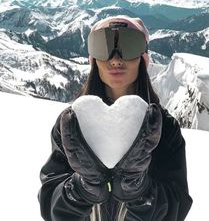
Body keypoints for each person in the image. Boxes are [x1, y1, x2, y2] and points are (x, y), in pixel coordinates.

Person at [38, 15, 193, 221]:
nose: (115, 59)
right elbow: (51, 207)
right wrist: (81, 188)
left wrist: (139, 190)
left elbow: (177, 206)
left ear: (142, 57)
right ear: (93, 60)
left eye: (129, 46)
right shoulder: (72, 123)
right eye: (103, 47)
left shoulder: (163, 127)